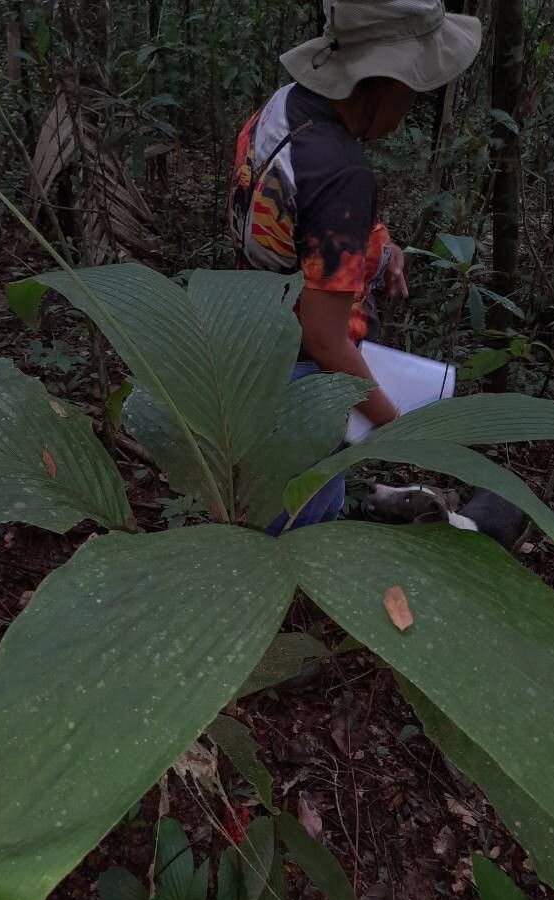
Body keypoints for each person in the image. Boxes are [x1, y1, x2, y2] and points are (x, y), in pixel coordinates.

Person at [227, 0, 482, 533]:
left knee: (267, 500)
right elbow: (324, 339)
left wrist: (377, 242)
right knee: (301, 522)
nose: (410, 103)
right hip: (299, 385)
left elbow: (296, 209)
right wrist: (399, 428)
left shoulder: (284, 107)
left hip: (248, 345)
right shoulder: (342, 173)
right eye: (412, 89)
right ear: (384, 82)